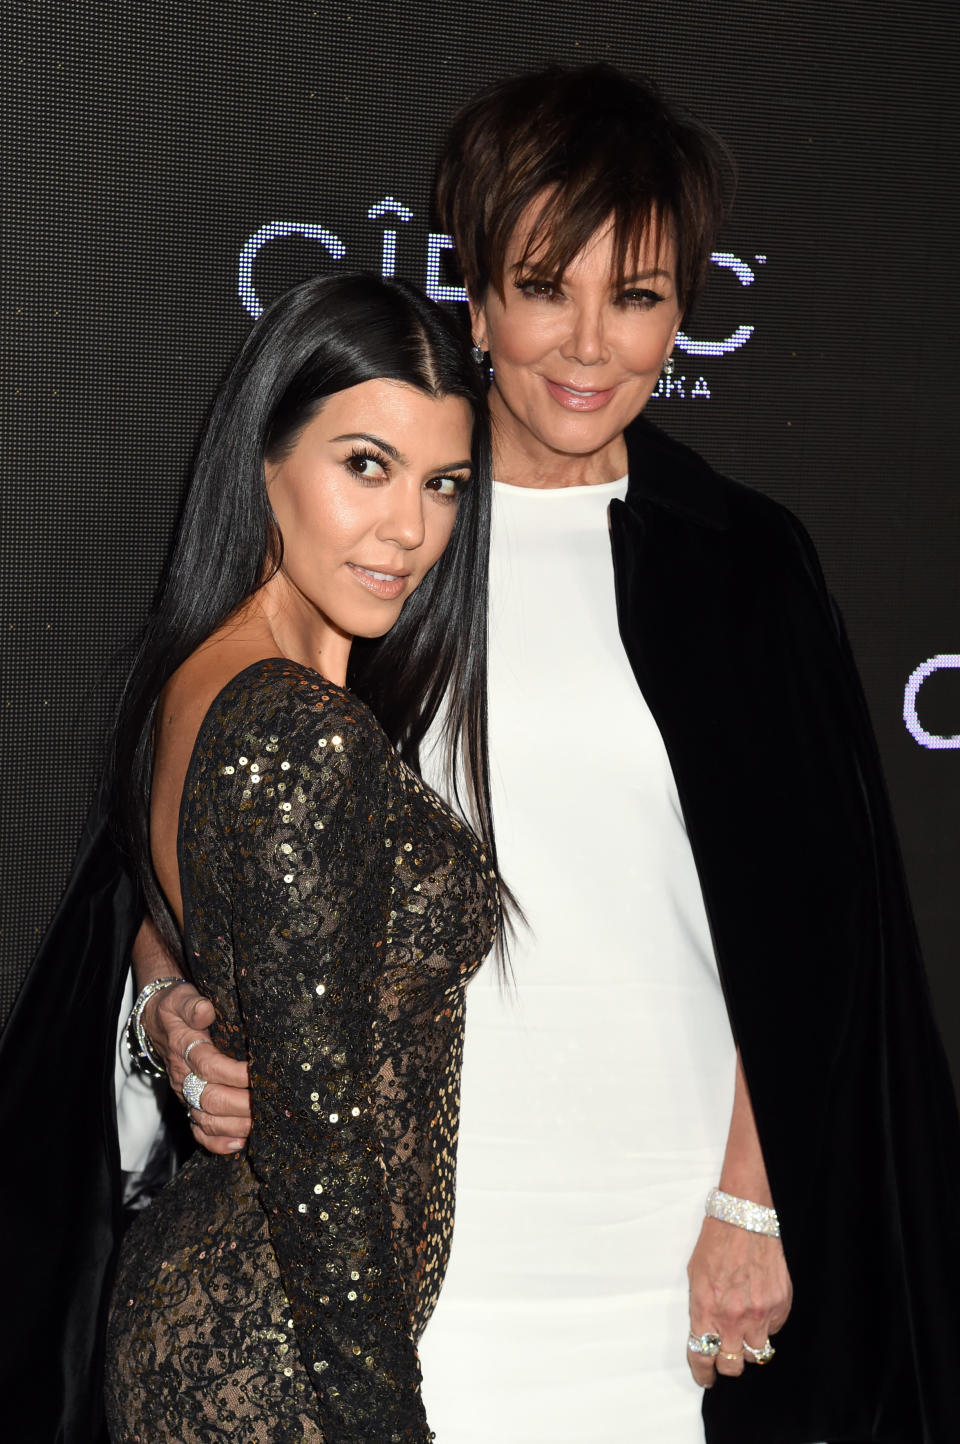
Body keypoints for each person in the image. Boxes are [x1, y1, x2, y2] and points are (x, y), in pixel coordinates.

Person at [136, 66, 960, 1443]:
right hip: (401, 1263)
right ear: (477, 296)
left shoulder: (739, 565)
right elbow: (193, 852)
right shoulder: (376, 557)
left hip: (673, 1254)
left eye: (635, 297)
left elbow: (825, 931)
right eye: (543, 286)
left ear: (681, 312)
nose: (589, 345)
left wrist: (753, 1203)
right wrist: (168, 1015)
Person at [5, 271, 506, 1442]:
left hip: (220, 1314)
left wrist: (165, 996)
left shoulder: (202, 683)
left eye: (442, 485)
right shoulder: (300, 734)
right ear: (265, 458)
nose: (411, 529)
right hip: (276, 1357)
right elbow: (319, 1156)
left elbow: (198, 938)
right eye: (365, 466)